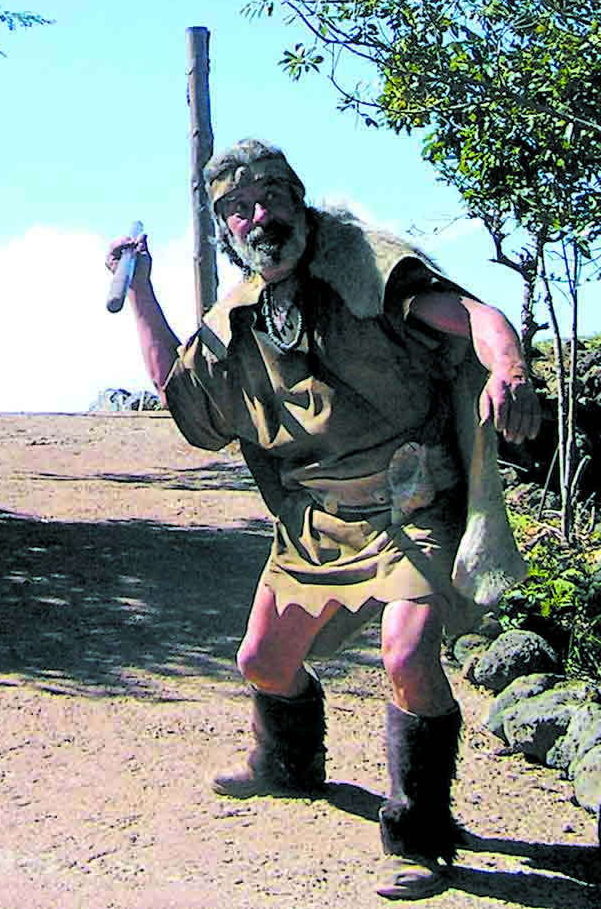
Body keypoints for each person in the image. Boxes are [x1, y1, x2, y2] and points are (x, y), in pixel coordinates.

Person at [107, 139, 540, 900]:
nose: (258, 215)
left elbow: (476, 315)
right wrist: (138, 287)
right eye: (237, 208)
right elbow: (182, 390)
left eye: (271, 195)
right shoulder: (240, 315)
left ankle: (421, 832)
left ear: (298, 199)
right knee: (262, 664)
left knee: (407, 657)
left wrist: (508, 368)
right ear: (224, 230)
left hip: (413, 500)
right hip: (319, 518)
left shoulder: (363, 264)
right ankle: (287, 765)